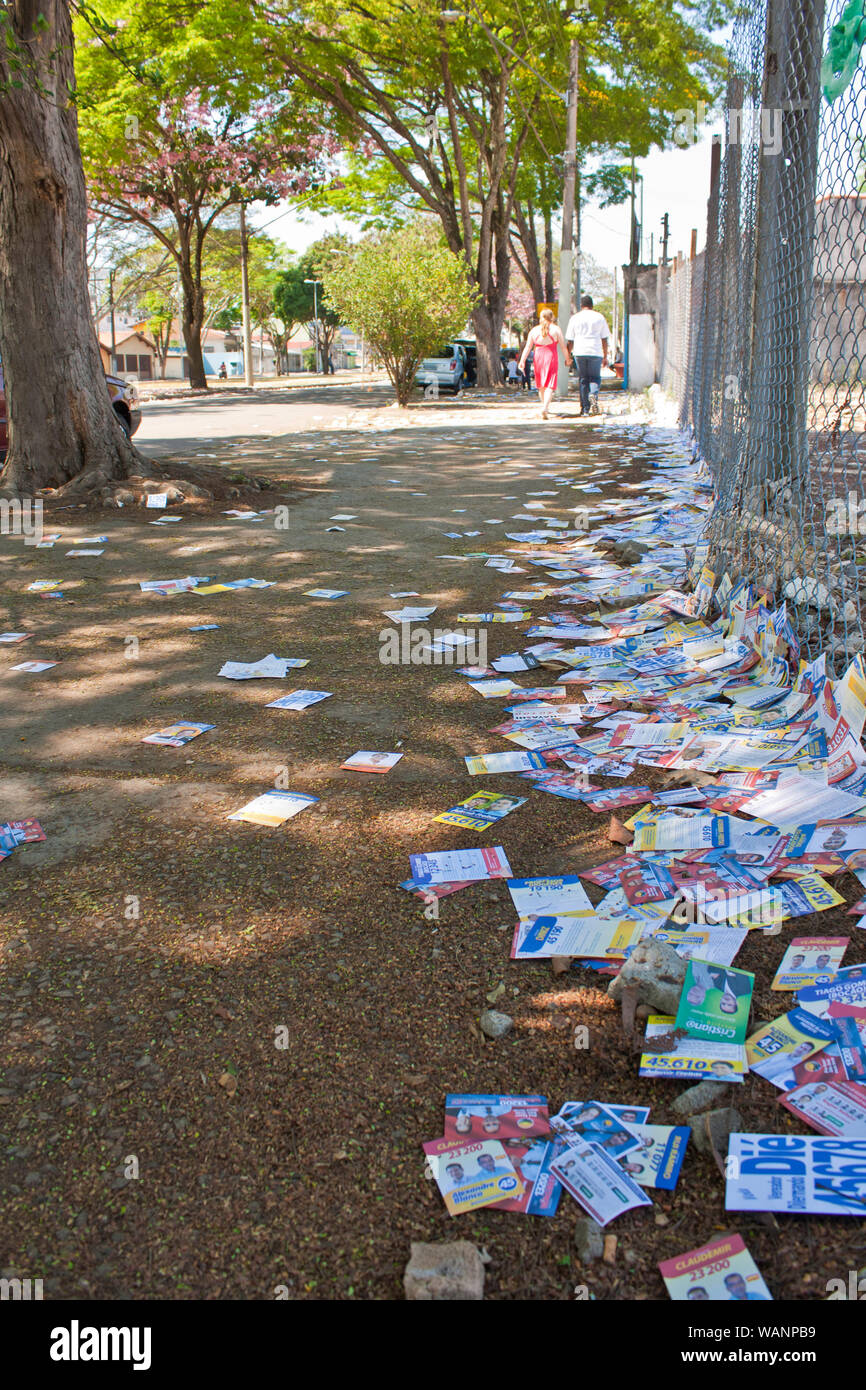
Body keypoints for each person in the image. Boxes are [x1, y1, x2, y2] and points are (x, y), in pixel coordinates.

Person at [519, 308, 570, 419]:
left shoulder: (534, 330)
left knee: (541, 385)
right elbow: (563, 347)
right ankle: (545, 408)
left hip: (538, 357)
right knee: (550, 385)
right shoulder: (556, 329)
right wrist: (568, 359)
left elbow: (528, 347)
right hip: (551, 357)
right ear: (552, 317)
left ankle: (544, 406)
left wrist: (522, 360)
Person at [565, 294, 611, 416]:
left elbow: (570, 340)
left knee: (583, 379)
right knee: (595, 378)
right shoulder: (599, 317)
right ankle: (593, 394)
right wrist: (605, 356)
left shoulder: (575, 318)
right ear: (592, 305)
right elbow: (604, 339)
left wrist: (568, 355)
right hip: (595, 352)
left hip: (579, 352)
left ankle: (585, 409)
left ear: (581, 305)